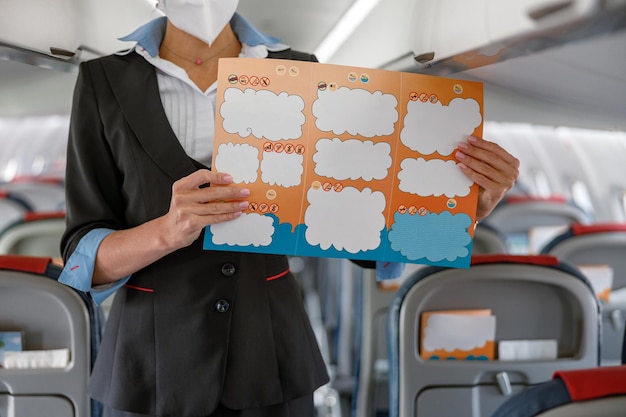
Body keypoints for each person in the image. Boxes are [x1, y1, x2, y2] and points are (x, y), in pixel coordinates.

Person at [58, 1, 520, 416]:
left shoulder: (301, 71)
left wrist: (462, 213)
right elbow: (83, 257)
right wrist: (165, 231)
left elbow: (357, 231)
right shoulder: (104, 81)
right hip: (149, 367)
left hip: (271, 358)